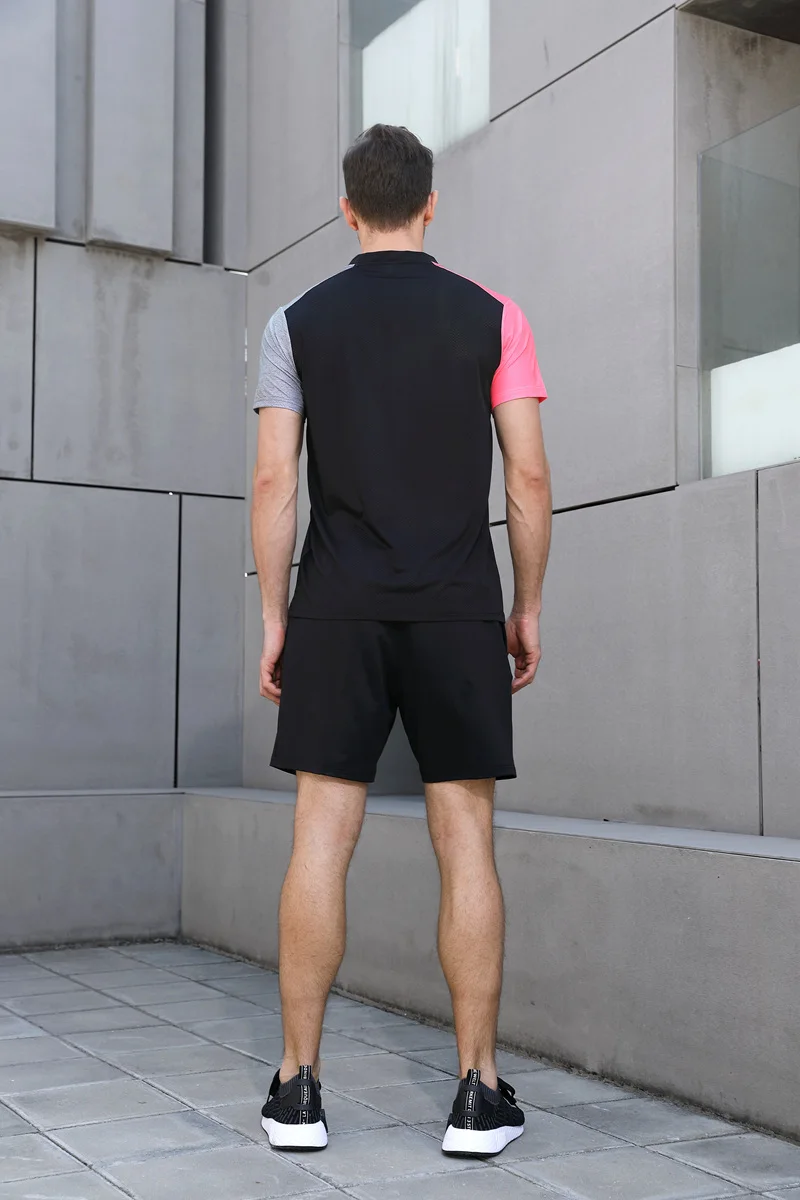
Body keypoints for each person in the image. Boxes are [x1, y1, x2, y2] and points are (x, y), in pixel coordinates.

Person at [251, 123, 551, 1158]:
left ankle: (297, 1090)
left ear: (347, 210)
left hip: (336, 609)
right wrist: (525, 606)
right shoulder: (494, 315)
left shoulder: (294, 322)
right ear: (429, 204)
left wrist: (277, 618)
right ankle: (477, 1093)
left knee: (318, 842)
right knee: (465, 843)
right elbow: (527, 478)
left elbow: (274, 480)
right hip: (458, 606)